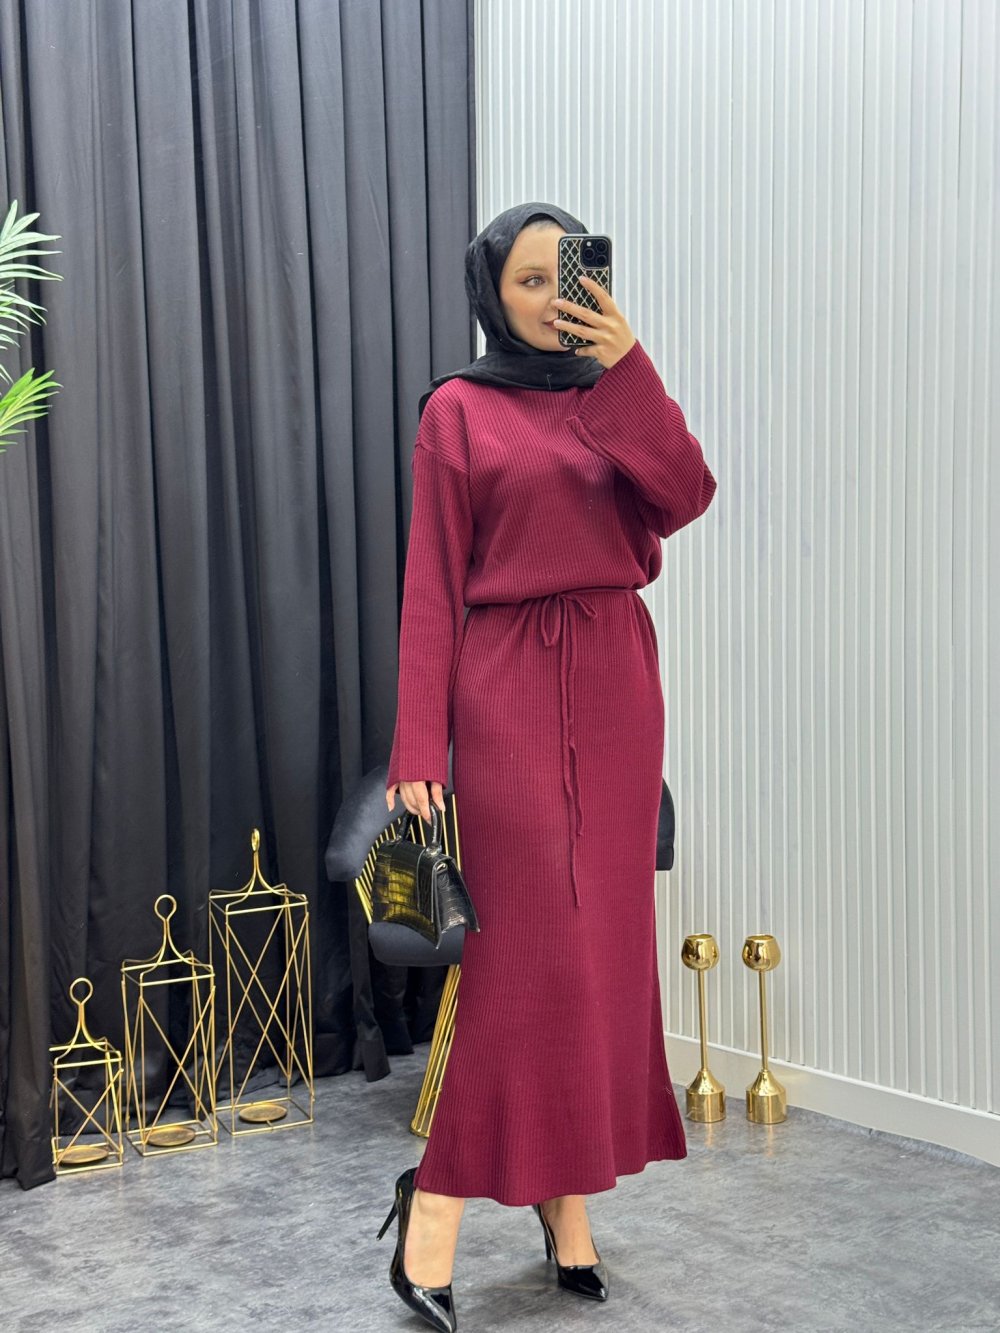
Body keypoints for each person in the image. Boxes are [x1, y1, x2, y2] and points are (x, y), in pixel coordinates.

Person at [377, 202, 717, 1331]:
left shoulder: (614, 394)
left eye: (561, 276)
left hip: (616, 682)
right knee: (518, 960)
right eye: (526, 280)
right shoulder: (458, 409)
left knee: (596, 959)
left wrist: (630, 367)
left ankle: (568, 1209)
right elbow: (432, 584)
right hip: (506, 683)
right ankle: (432, 1208)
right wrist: (417, 746)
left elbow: (685, 495)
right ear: (492, 290)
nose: (546, 299)